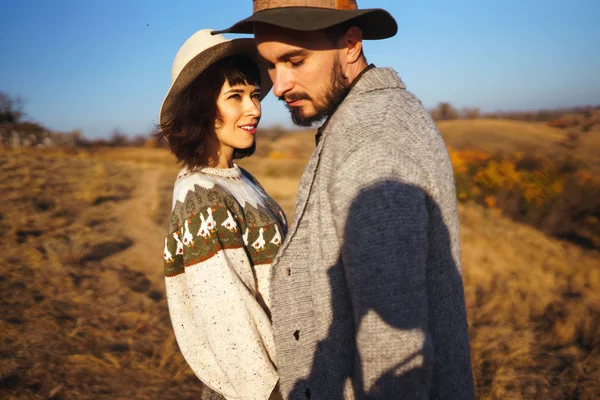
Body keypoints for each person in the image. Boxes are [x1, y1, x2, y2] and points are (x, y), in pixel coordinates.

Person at [214, 1, 475, 399]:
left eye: (295, 60)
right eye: (270, 64)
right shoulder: (361, 120)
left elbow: (392, 344)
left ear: (351, 44)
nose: (278, 85)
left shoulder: (374, 136)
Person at [158, 29, 287, 400]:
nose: (255, 109)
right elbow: (227, 320)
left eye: (255, 95)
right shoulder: (202, 197)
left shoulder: (240, 180)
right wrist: (273, 391)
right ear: (199, 107)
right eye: (236, 97)